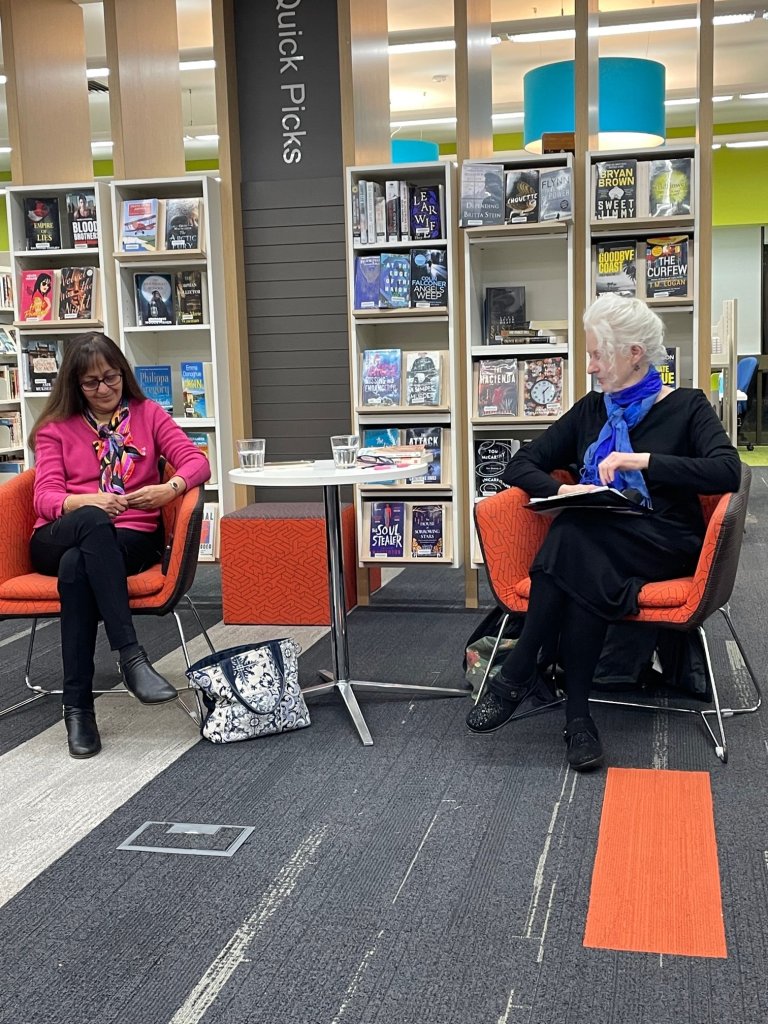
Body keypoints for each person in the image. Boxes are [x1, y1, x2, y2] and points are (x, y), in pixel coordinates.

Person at [467, 294, 741, 771]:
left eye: (598, 355)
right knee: (580, 547)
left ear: (634, 353)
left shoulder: (687, 405)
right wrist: (566, 491)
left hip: (664, 541)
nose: (590, 367)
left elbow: (728, 471)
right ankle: (577, 720)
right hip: (599, 543)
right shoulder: (591, 410)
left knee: (574, 539)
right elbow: (521, 464)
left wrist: (643, 461)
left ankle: (522, 668)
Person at [29, 332, 211, 759]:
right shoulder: (55, 428)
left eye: (111, 377)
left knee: (77, 568)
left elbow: (196, 461)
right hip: (58, 534)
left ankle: (77, 708)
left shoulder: (148, 414)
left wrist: (168, 489)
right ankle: (131, 658)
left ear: (123, 374)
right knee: (91, 526)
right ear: (75, 385)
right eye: (91, 382)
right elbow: (44, 497)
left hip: (130, 538)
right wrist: (86, 501)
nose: (104, 389)